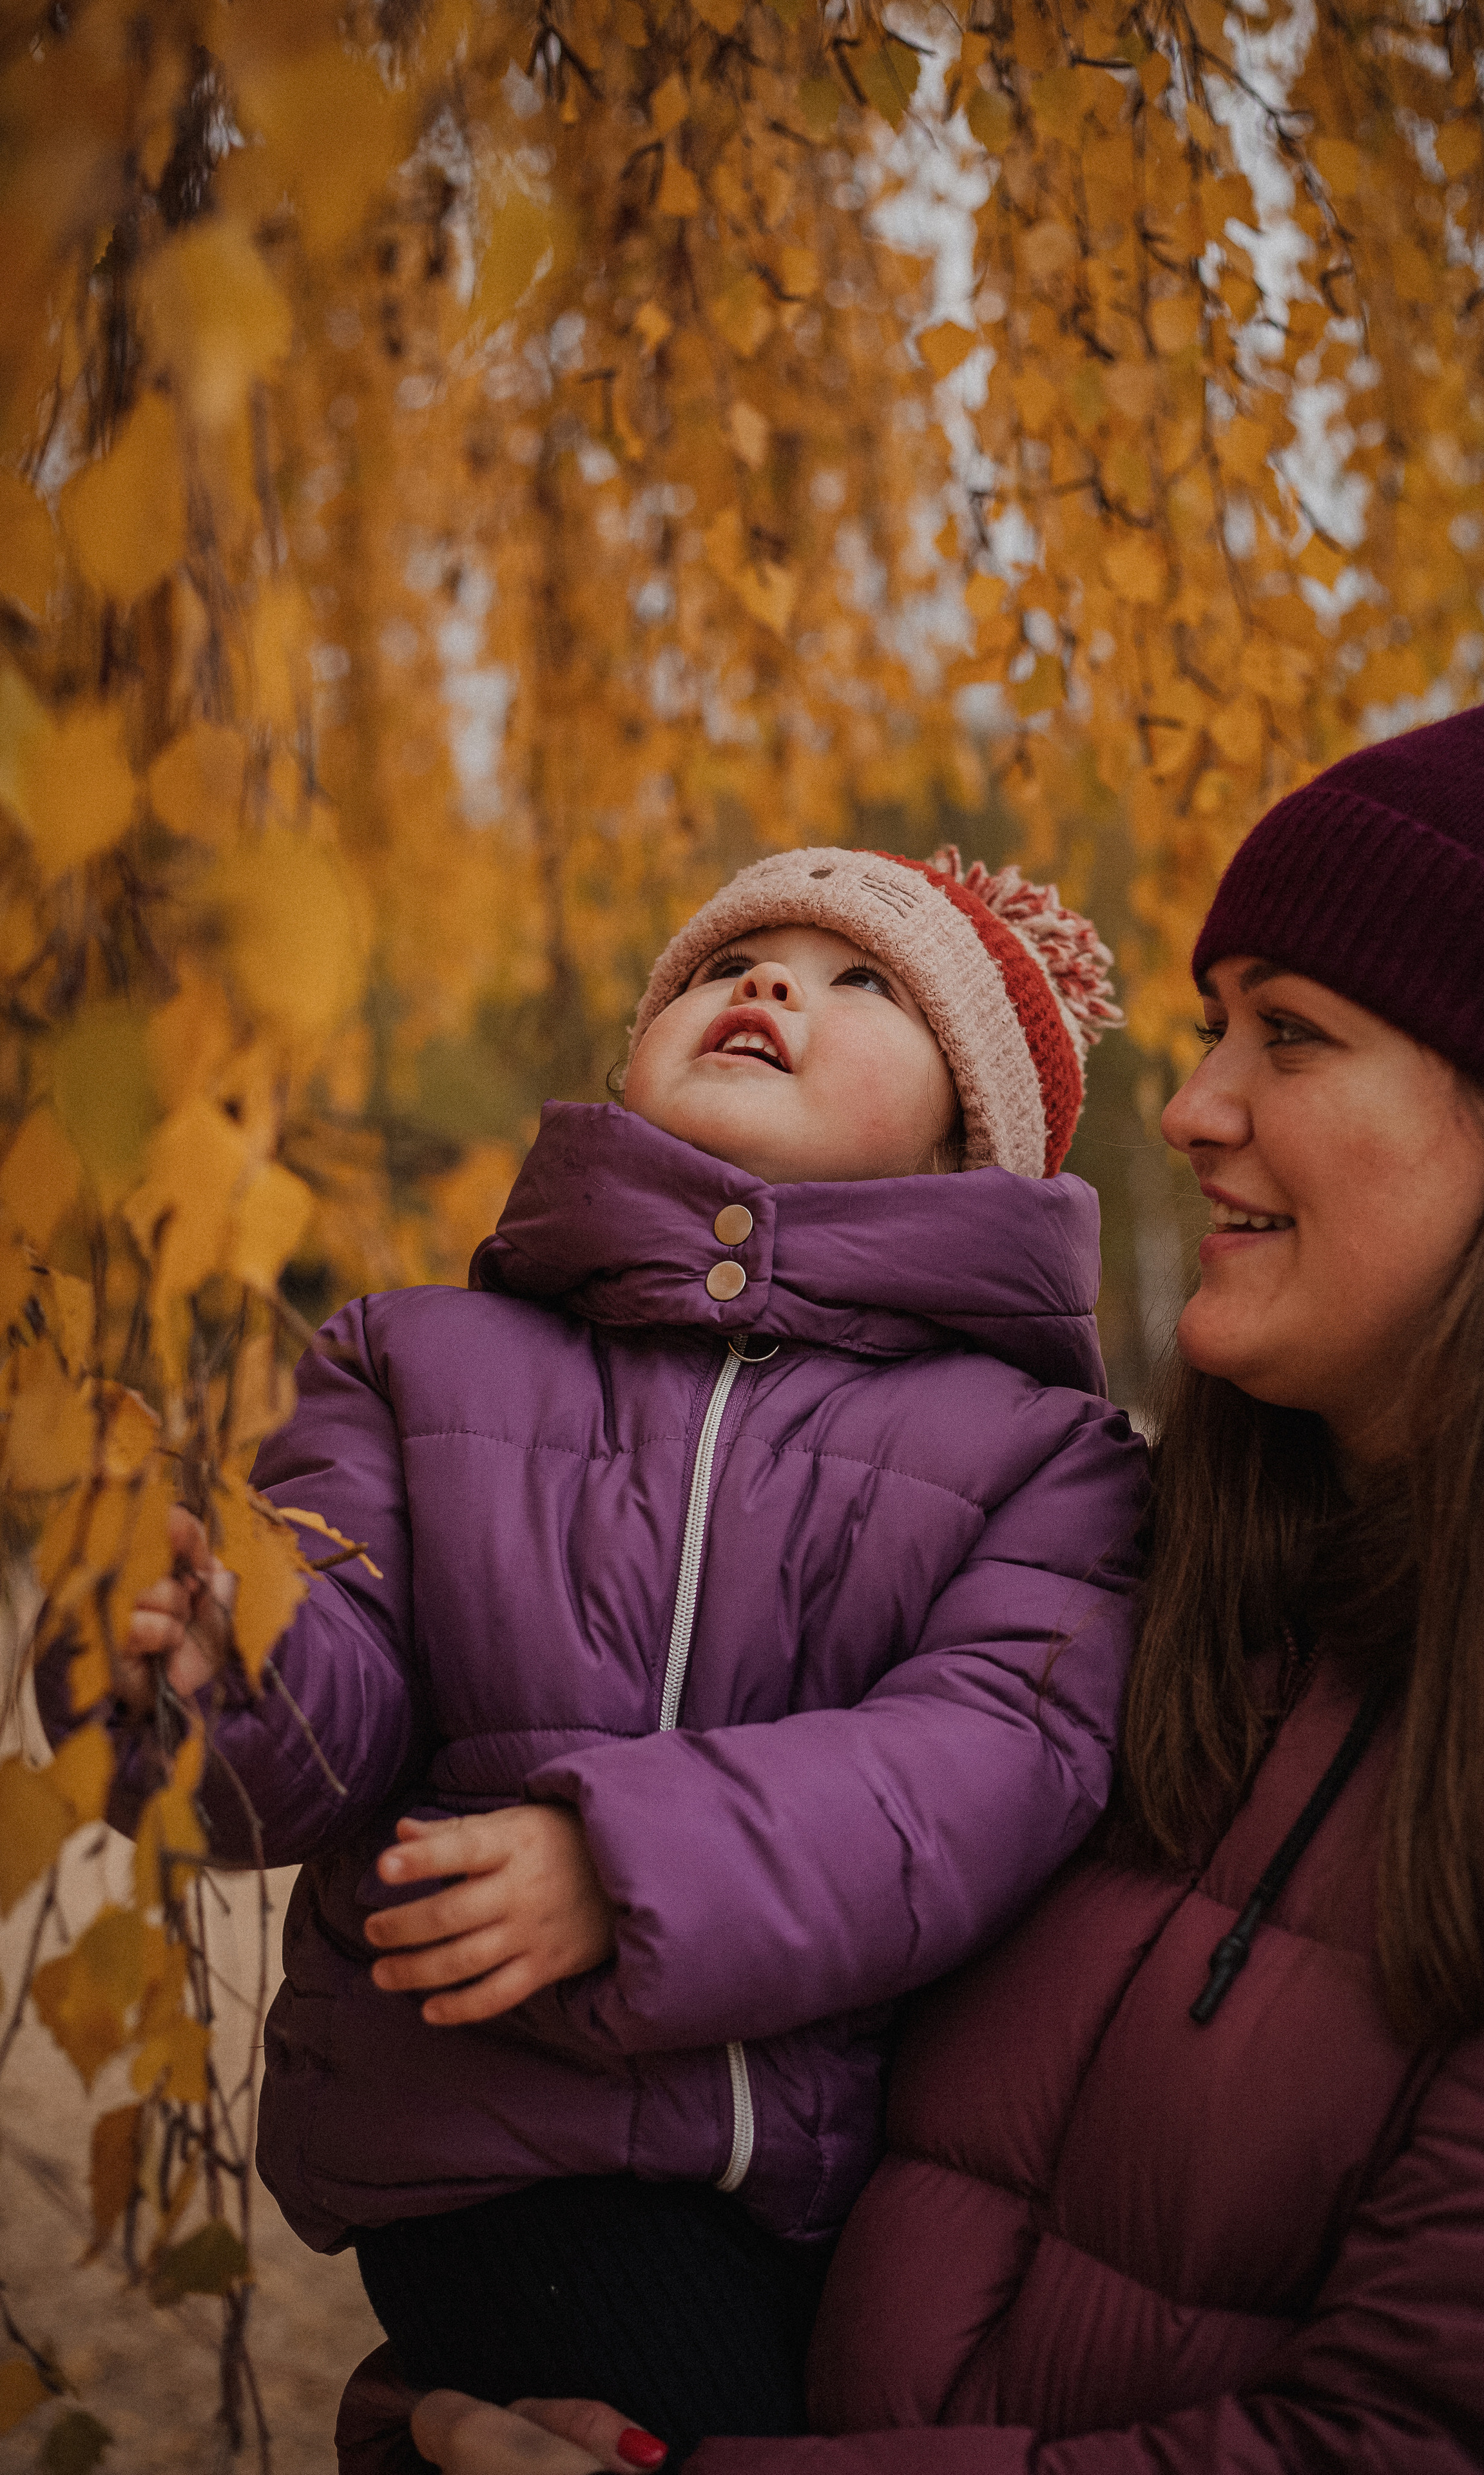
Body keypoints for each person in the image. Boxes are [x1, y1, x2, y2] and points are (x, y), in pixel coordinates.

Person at [407, 678, 1484, 2475]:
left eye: (1290, 1036)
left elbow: (1435, 2440)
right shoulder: (1117, 1587)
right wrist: (485, 2400)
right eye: (1212, 1030)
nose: (1193, 1108)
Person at [80, 844, 1148, 2465]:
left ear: (965, 1140)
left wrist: (630, 1865)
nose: (768, 984)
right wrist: (227, 1666)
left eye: (863, 981)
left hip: (830, 2187)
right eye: (726, 963)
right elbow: (337, 1695)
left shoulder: (1042, 1457)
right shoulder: (418, 1357)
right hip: (495, 2156)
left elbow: (989, 1760)